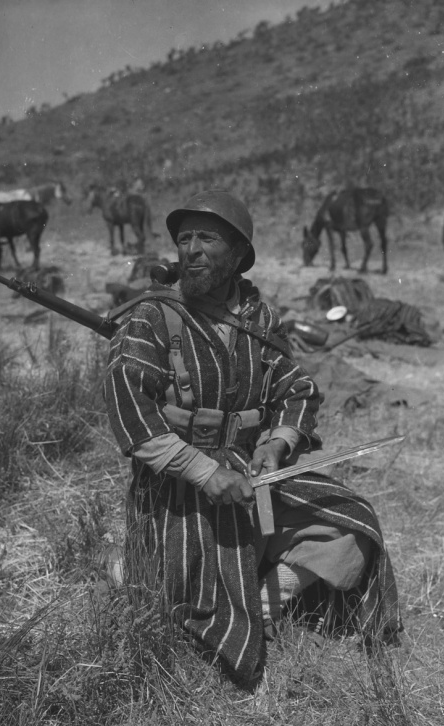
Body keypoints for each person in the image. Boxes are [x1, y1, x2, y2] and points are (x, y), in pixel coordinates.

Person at [104, 190, 402, 684]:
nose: (192, 249)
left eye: (207, 238)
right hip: (181, 486)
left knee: (353, 523)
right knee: (192, 607)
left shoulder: (257, 317)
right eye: (184, 239)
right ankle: (139, 572)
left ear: (240, 253)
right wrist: (204, 472)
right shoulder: (151, 317)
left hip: (249, 475)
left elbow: (296, 386)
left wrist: (276, 443)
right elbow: (132, 413)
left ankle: (266, 599)